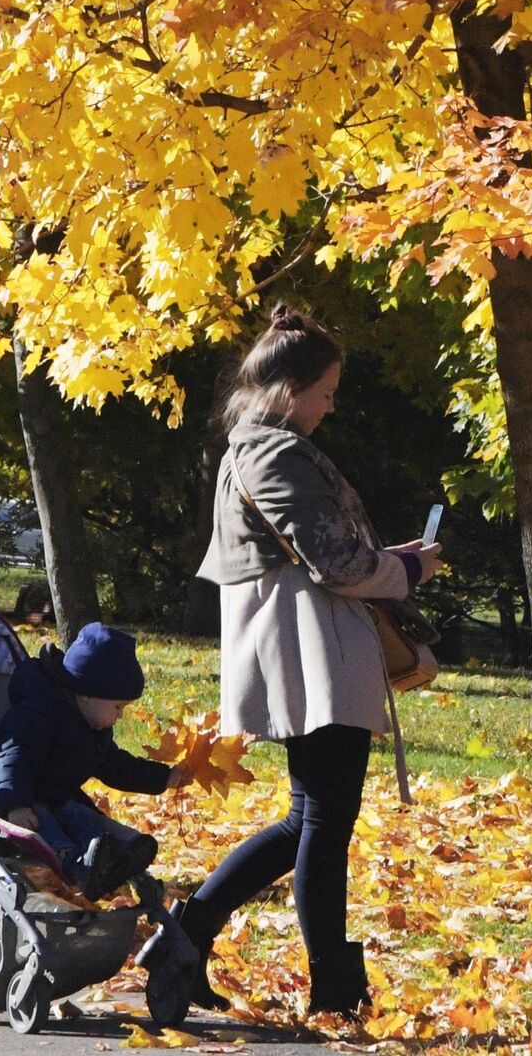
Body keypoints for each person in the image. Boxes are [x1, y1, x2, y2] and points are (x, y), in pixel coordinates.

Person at [174, 302, 443, 1019]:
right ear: (289, 389)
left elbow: (334, 557)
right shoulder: (272, 452)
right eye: (324, 391)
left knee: (311, 819)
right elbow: (339, 564)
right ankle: (331, 986)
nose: (330, 406)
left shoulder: (261, 448)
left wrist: (395, 562)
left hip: (305, 647)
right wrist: (407, 571)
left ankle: (190, 936)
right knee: (324, 820)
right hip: (307, 652)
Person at [0, 622, 192, 899]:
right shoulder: (39, 713)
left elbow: (115, 766)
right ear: (87, 693)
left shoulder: (92, 728)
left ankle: (115, 854)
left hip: (53, 796)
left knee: (81, 814)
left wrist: (162, 777)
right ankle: (76, 865)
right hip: (2, 798)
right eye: (117, 707)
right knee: (45, 826)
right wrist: (15, 804)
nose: (120, 716)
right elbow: (12, 757)